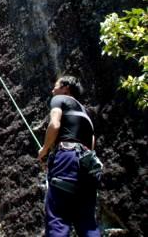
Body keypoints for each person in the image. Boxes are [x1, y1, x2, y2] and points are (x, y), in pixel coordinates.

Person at [37, 76, 101, 237]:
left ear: (65, 88)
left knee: (57, 219)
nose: (53, 90)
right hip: (88, 165)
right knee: (87, 222)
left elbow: (55, 124)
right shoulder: (86, 113)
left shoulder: (59, 99)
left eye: (56, 86)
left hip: (67, 158)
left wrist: (44, 150)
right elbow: (92, 142)